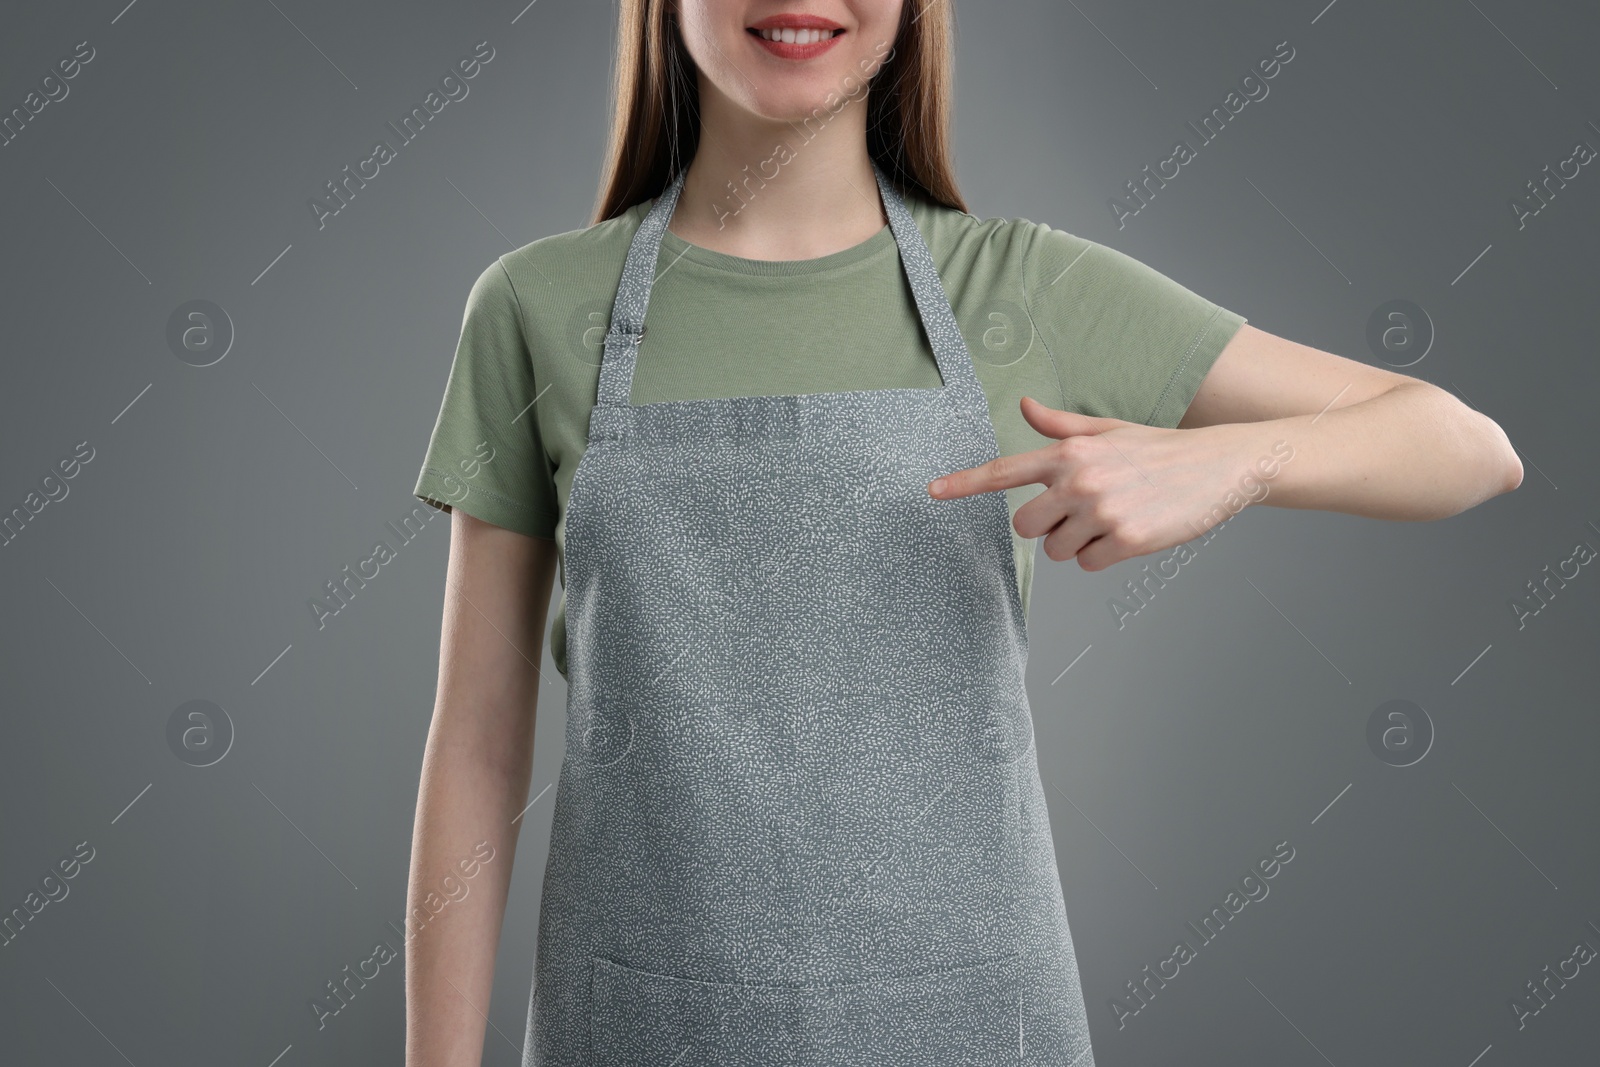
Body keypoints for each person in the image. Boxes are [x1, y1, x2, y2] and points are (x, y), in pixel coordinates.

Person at [401, 2, 1523, 1064]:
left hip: (973, 1013)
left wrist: (1231, 461)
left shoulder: (1018, 286)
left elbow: (1465, 446)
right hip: (637, 1014)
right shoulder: (537, 307)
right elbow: (478, 742)